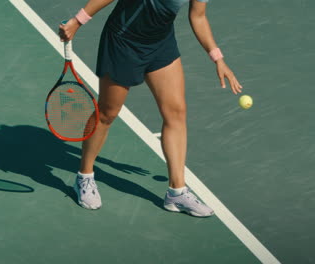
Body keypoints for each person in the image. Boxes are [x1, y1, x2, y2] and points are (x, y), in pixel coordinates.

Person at [59, 0, 242, 217]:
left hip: (160, 43)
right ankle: (85, 177)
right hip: (123, 41)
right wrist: (78, 21)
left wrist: (217, 58)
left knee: (176, 113)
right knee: (107, 113)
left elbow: (198, 16)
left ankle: (177, 192)